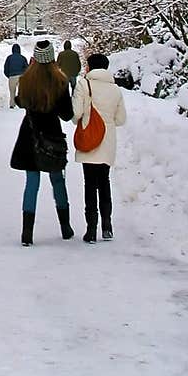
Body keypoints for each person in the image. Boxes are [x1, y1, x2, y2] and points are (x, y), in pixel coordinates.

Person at [10, 40, 75, 245]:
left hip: (30, 135)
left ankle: (27, 233)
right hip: (51, 136)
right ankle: (65, 227)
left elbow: (21, 102)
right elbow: (66, 115)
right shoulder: (60, 81)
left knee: (32, 183)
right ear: (53, 57)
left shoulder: (27, 80)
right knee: (57, 180)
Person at [72, 52, 127, 243]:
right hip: (107, 140)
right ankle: (107, 226)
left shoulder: (83, 84)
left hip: (89, 138)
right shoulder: (115, 90)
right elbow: (121, 119)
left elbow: (76, 113)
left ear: (90, 67)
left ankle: (91, 229)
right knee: (104, 182)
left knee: (90, 184)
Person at [2, 41, 28, 108]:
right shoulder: (23, 57)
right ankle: (22, 103)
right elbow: (27, 68)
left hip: (12, 77)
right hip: (21, 76)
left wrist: (9, 76)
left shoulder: (9, 58)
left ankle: (12, 104)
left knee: (12, 92)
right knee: (21, 91)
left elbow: (6, 68)